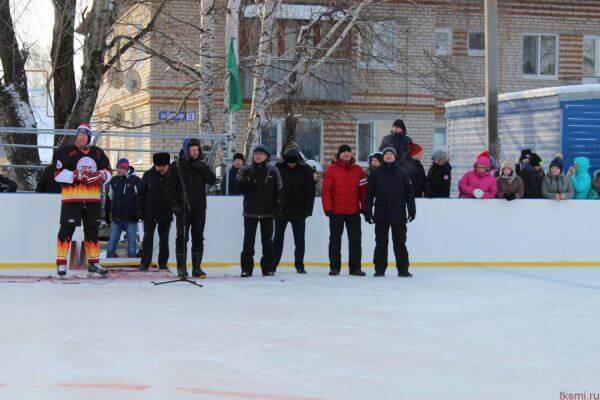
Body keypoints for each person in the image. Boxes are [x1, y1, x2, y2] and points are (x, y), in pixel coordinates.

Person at [53, 123, 112, 277]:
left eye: (85, 135)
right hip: (72, 198)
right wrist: (76, 175)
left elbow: (109, 171)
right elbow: (58, 175)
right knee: (67, 228)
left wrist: (101, 176)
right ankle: (61, 263)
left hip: (92, 199)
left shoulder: (98, 153)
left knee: (92, 230)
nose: (82, 137)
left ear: (89, 137)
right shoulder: (66, 151)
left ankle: (94, 263)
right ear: (76, 136)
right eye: (80, 134)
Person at [168, 138, 217, 279]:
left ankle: (197, 268)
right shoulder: (176, 165)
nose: (195, 152)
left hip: (199, 208)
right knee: (182, 237)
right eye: (192, 150)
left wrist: (202, 168)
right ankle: (181, 268)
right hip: (183, 208)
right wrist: (174, 205)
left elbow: (212, 180)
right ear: (186, 150)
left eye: (197, 150)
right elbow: (170, 187)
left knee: (198, 237)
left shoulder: (202, 165)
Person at [364, 147, 416, 277]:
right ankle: (379, 270)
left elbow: (409, 194)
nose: (388, 156)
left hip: (399, 214)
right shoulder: (376, 173)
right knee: (381, 243)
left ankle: (403, 270)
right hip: (381, 213)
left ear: (394, 156)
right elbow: (369, 194)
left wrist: (412, 209)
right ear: (383, 157)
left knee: (400, 243)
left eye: (390, 154)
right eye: (386, 154)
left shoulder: (403, 173)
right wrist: (367, 210)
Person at [236, 145, 283, 277]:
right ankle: (246, 269)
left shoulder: (274, 171)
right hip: (250, 212)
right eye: (256, 154)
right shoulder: (245, 169)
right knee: (248, 242)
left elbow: (279, 190)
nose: (258, 156)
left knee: (267, 242)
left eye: (261, 154)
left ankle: (268, 268)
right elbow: (238, 187)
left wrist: (278, 205)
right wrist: (248, 179)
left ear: (266, 157)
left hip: (268, 213)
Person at [322, 144, 367, 276]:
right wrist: (328, 208)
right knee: (335, 241)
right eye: (344, 152)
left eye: (348, 151)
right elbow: (326, 191)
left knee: (355, 241)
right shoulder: (331, 170)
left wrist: (364, 207)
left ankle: (355, 268)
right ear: (339, 154)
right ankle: (334, 268)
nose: (346, 154)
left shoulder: (358, 170)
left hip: (353, 212)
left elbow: (363, 191)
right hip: (336, 212)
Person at [272, 147, 316, 274]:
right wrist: (274, 206)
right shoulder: (278, 168)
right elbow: (273, 189)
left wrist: (308, 210)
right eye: (289, 162)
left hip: (299, 211)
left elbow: (310, 191)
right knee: (277, 239)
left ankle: (299, 265)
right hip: (281, 211)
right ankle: (273, 264)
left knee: (299, 240)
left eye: (293, 162)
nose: (291, 164)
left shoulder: (306, 170)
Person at [138, 152, 173, 271]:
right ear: (155, 165)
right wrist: (141, 211)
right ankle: (145, 263)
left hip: (166, 213)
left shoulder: (172, 176)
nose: (162, 168)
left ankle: (163, 264)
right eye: (159, 166)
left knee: (164, 240)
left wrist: (175, 207)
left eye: (164, 165)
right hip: (150, 213)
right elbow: (141, 195)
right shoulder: (148, 175)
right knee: (148, 238)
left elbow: (176, 193)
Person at [105, 158, 141, 258]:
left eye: (121, 168)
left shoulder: (136, 180)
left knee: (132, 244)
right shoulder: (113, 180)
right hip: (116, 218)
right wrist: (108, 216)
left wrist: (140, 213)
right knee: (111, 243)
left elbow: (141, 198)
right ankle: (110, 261)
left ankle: (132, 262)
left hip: (131, 218)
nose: (118, 170)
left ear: (126, 168)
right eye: (118, 168)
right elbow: (109, 199)